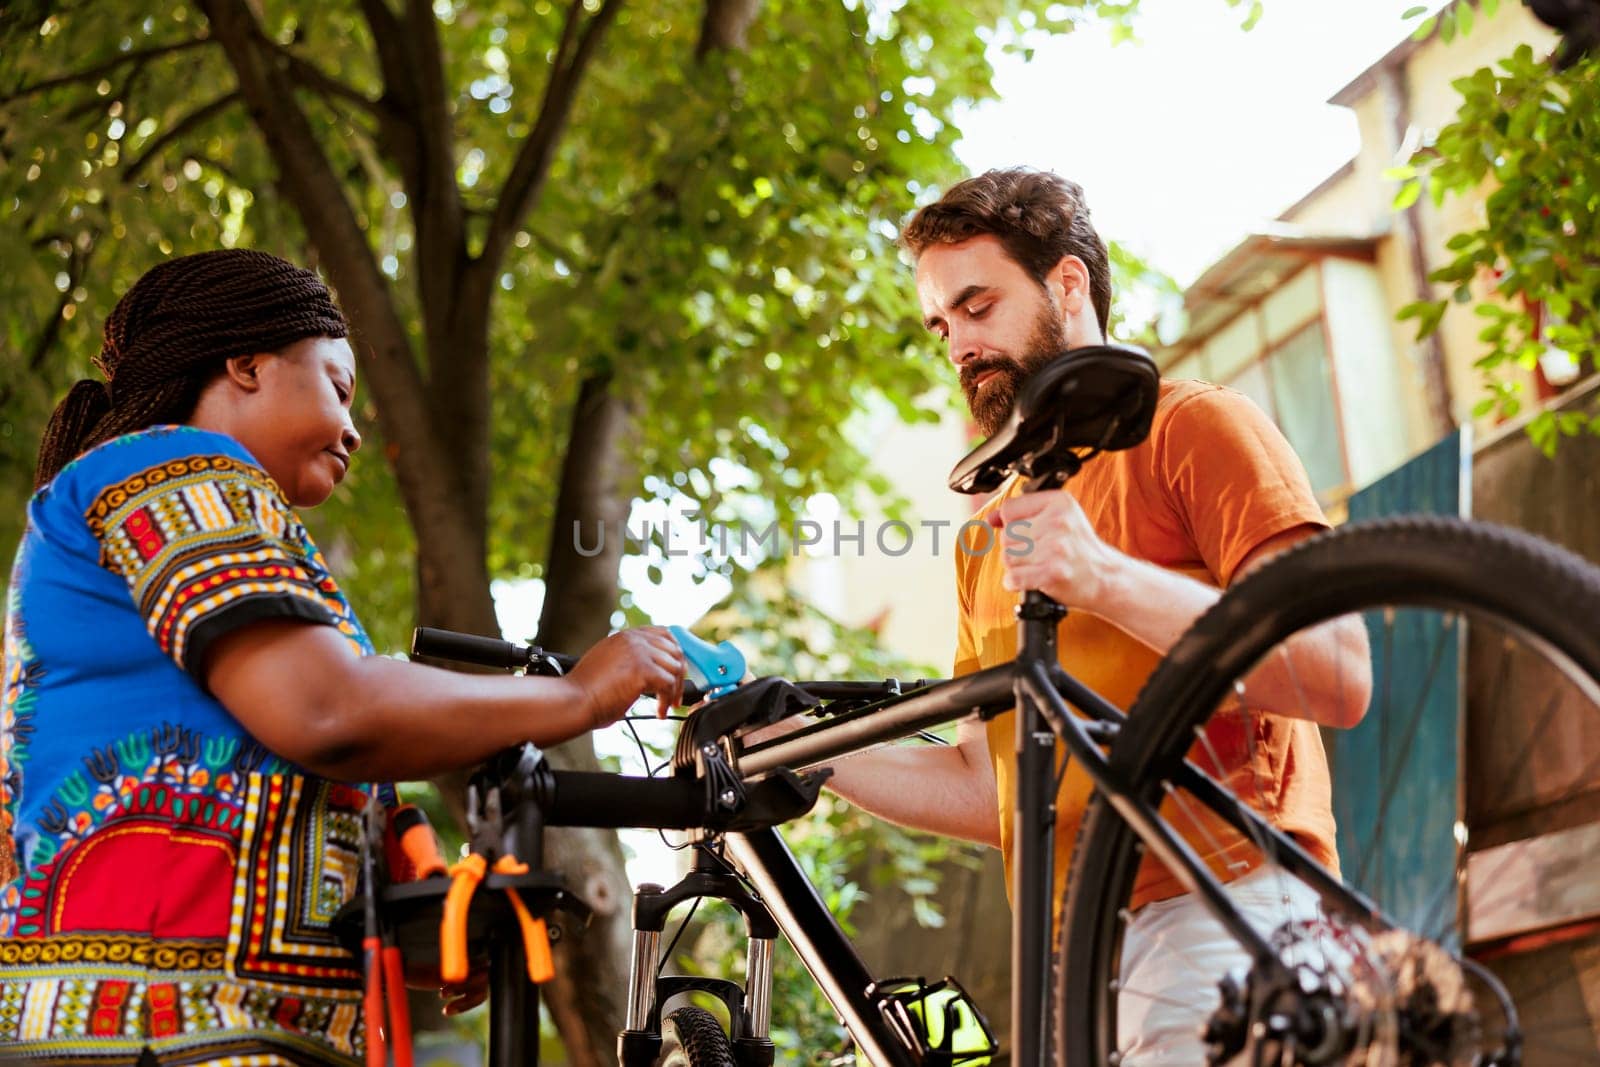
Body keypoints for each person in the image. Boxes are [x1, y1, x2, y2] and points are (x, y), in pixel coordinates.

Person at [0, 249, 686, 1066]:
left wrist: (416, 912)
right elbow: (329, 709)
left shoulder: (234, 535)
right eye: (337, 386)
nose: (356, 429)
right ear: (247, 364)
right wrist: (580, 696)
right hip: (156, 1030)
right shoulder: (166, 469)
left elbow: (299, 756)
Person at [816, 169, 1372, 1062]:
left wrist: (1103, 577)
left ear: (1067, 285)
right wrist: (811, 754)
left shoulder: (1193, 428)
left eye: (978, 304)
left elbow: (1335, 668)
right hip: (1069, 959)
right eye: (941, 324)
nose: (958, 342)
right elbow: (991, 783)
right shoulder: (987, 540)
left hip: (1221, 911)